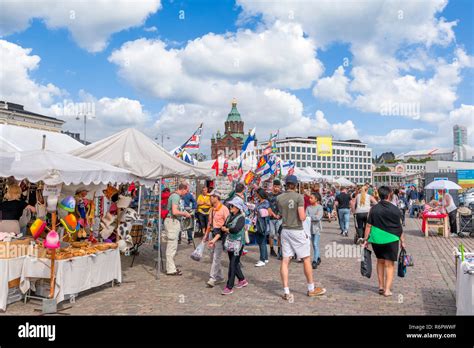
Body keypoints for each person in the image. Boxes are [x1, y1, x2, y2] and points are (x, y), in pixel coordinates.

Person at [277, 175, 326, 300]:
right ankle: (311, 289)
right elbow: (302, 216)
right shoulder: (299, 197)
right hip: (297, 230)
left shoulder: (279, 198)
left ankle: (286, 291)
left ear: (286, 184)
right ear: (295, 184)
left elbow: (280, 214)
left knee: (285, 260)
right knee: (306, 259)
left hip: (285, 230)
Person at [363, 186, 405, 297]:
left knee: (380, 261)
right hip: (391, 239)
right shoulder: (395, 209)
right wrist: (402, 241)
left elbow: (368, 225)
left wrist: (365, 239)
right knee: (389, 265)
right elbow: (399, 227)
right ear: (389, 195)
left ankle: (381, 286)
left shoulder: (374, 209)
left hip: (377, 239)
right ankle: (387, 290)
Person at [210, 197, 248, 295]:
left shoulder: (241, 218)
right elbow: (222, 227)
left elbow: (235, 229)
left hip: (238, 244)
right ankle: (242, 280)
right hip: (230, 242)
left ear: (238, 208)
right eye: (231, 205)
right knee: (233, 262)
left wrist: (226, 229)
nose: (231, 207)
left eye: (233, 206)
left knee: (232, 264)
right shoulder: (229, 216)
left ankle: (229, 286)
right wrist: (214, 240)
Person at [203, 190, 230, 287]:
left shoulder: (224, 209)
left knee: (216, 257)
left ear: (216, 197)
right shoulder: (211, 210)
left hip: (220, 235)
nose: (210, 198)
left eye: (212, 197)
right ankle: (220, 276)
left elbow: (228, 223)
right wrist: (206, 235)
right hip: (212, 233)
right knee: (211, 256)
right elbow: (209, 224)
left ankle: (212, 278)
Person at [164, 183, 192, 276]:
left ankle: (171, 268)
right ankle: (170, 270)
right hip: (172, 221)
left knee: (172, 246)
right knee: (171, 246)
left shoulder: (175, 196)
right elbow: (175, 211)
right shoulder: (176, 196)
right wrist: (184, 213)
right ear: (183, 189)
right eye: (187, 191)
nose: (187, 193)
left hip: (172, 221)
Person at [306, 193, 323, 269]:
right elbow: (306, 217)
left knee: (315, 244)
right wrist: (313, 216)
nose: (309, 199)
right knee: (313, 244)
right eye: (310, 198)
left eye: (311, 198)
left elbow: (318, 217)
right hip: (309, 228)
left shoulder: (320, 207)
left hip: (317, 228)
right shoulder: (308, 207)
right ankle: (318, 257)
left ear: (316, 199)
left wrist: (310, 217)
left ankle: (314, 261)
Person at [254, 188, 270, 267]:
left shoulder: (266, 202)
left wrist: (258, 211)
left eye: (256, 193)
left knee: (262, 242)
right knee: (262, 241)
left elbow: (267, 213)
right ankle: (265, 258)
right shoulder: (258, 202)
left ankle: (262, 259)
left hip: (263, 224)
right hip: (258, 223)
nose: (256, 195)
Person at [267, 179, 283, 259]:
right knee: (271, 234)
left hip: (280, 218)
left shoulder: (282, 195)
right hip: (271, 218)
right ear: (273, 186)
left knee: (280, 235)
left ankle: (280, 250)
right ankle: (272, 249)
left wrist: (279, 215)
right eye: (275, 186)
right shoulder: (269, 195)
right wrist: (273, 214)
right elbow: (268, 207)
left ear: (280, 187)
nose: (276, 188)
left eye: (278, 186)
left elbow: (283, 206)